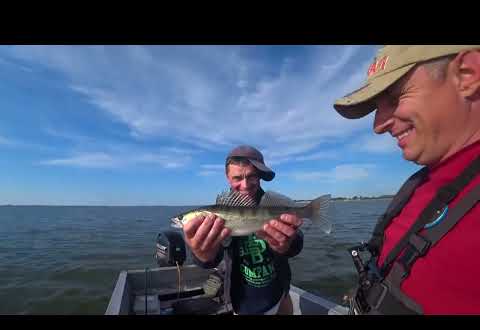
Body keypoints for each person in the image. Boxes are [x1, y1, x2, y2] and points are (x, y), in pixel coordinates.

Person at [334, 45, 480, 314]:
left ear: (467, 74)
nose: (378, 127)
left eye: (393, 98)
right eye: (377, 108)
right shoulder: (419, 184)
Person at [182, 145, 304, 315]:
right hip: (243, 303)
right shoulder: (216, 215)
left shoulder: (272, 204)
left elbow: (297, 241)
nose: (245, 185)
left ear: (260, 176)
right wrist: (201, 254)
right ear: (227, 177)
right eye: (237, 178)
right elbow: (211, 259)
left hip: (280, 294)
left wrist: (288, 244)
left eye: (252, 176)